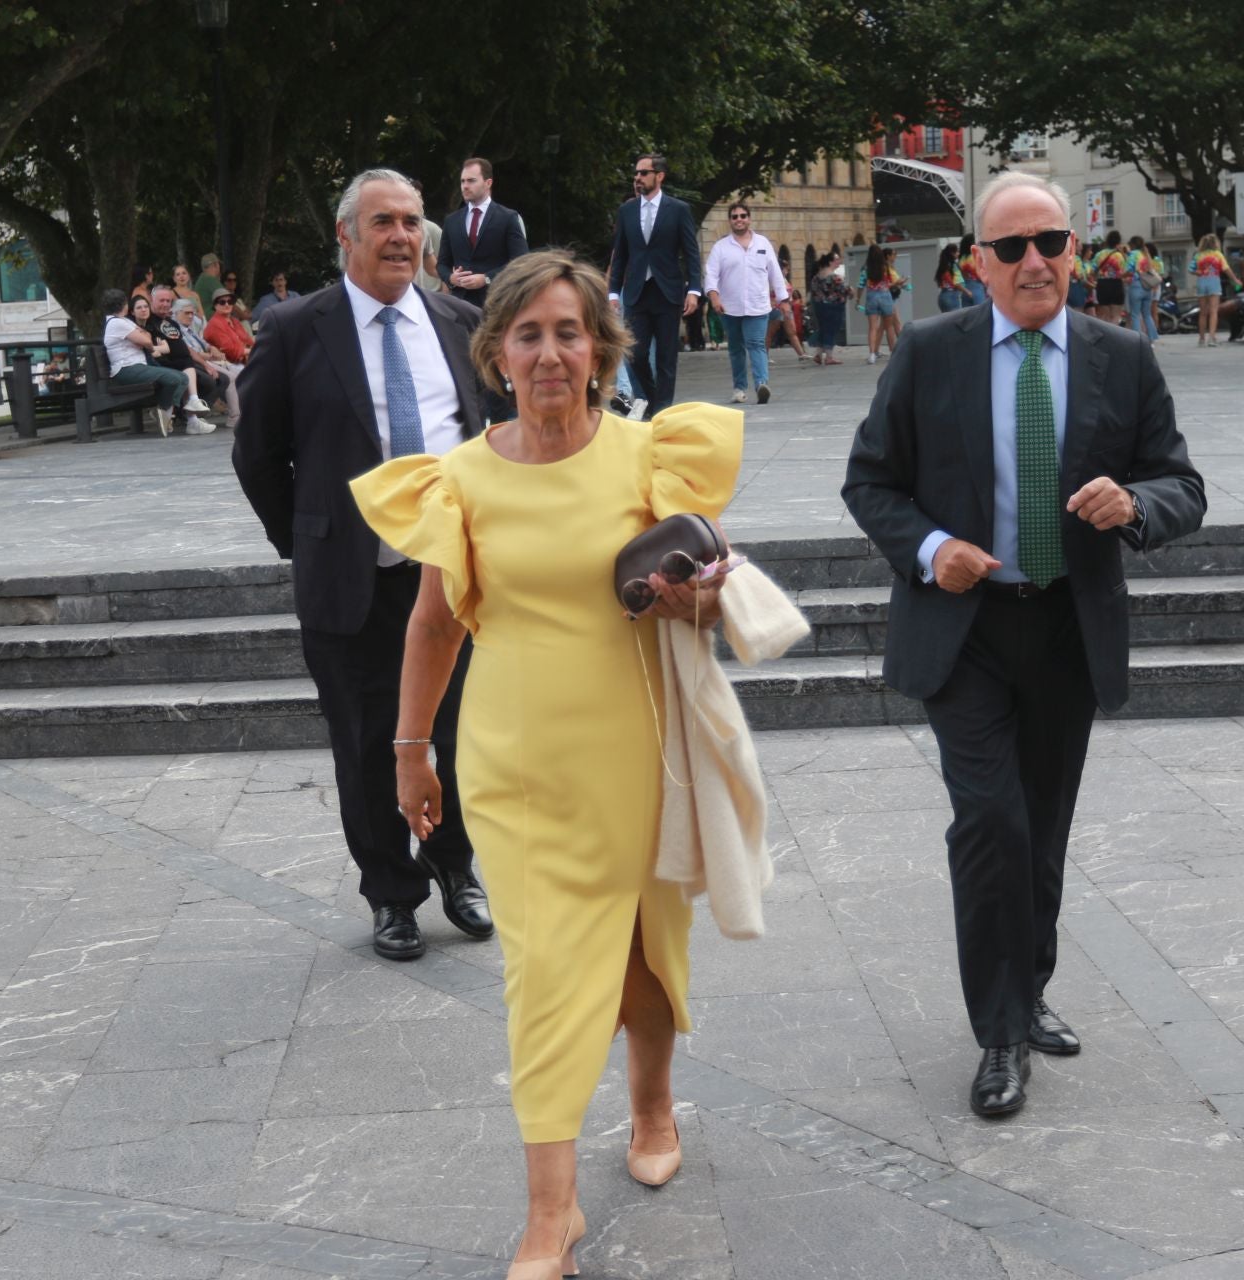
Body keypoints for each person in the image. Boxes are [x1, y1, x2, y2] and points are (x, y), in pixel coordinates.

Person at [349, 250, 737, 1279]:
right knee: (544, 977)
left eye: (571, 332)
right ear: (499, 354)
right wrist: (409, 751)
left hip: (636, 749)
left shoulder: (650, 455)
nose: (552, 353)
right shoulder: (461, 478)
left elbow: (715, 603)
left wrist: (696, 597)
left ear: (600, 349)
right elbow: (434, 625)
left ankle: (652, 1105)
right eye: (530, 334)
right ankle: (550, 1214)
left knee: (643, 949)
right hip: (515, 766)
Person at [842, 170, 1205, 1120]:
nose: (1033, 261)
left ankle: (1028, 987)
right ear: (979, 264)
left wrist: (1136, 505)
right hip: (963, 630)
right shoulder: (929, 352)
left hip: (1066, 626)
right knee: (991, 825)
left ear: (1074, 252)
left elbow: (1182, 484)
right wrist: (934, 549)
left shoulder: (1123, 357)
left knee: (1041, 830)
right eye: (1011, 248)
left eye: (1049, 242)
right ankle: (999, 1033)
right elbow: (870, 481)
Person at [235, 168, 493, 962]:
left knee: (461, 732)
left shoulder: (460, 321)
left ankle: (455, 865)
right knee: (366, 739)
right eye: (383, 222)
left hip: (453, 577)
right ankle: (391, 892)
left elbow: (490, 434)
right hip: (352, 580)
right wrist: (309, 538)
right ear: (346, 235)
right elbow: (257, 454)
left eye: (412, 222)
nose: (401, 237)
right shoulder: (295, 328)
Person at [607, 153, 702, 415]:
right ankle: (652, 399)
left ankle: (662, 410)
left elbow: (691, 253)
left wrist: (694, 289)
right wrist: (613, 292)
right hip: (636, 291)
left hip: (667, 291)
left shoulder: (678, 209)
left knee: (666, 357)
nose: (638, 177)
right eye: (636, 173)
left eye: (643, 173)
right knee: (635, 353)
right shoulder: (627, 211)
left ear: (659, 176)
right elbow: (620, 254)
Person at [703, 201, 788, 403]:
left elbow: (775, 273)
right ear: (730, 221)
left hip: (758, 306)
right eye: (735, 217)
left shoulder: (763, 244)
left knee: (757, 344)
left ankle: (761, 385)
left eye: (743, 216)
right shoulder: (721, 247)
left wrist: (783, 299)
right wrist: (714, 298)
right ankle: (739, 388)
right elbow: (711, 275)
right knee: (736, 348)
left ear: (749, 219)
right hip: (729, 307)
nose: (739, 220)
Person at [437, 158, 527, 310]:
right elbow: (442, 264)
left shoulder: (507, 217)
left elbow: (521, 262)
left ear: (488, 183)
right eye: (462, 181)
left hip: (496, 303)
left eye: (471, 181)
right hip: (460, 306)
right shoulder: (452, 221)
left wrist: (486, 278)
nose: (465, 186)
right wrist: (451, 278)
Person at [100, 288, 187, 436]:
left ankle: (164, 416)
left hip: (137, 367)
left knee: (182, 378)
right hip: (126, 369)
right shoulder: (117, 323)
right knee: (174, 379)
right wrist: (148, 344)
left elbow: (146, 336)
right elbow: (147, 341)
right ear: (125, 305)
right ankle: (164, 413)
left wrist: (144, 340)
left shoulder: (124, 321)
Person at [149, 286, 224, 433]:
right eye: (161, 300)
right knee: (187, 370)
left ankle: (191, 417)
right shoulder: (148, 321)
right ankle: (189, 415)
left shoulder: (171, 323)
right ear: (152, 301)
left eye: (168, 301)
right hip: (162, 365)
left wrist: (205, 364)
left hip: (182, 363)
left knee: (190, 368)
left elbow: (185, 348)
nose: (165, 304)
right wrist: (159, 349)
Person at [172, 296, 241, 430]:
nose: (191, 316)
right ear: (176, 313)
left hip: (206, 360)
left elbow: (203, 343)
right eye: (187, 313)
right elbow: (189, 351)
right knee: (230, 377)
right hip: (195, 363)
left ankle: (240, 412)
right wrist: (209, 357)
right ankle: (235, 416)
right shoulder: (176, 330)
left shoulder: (189, 329)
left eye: (192, 313)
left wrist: (212, 348)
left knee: (238, 373)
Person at [857, 242, 906, 363]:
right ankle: (893, 352)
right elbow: (889, 283)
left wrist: (857, 299)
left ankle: (872, 355)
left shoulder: (865, 268)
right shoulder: (885, 267)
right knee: (889, 327)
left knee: (872, 327)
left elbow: (861, 285)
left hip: (871, 297)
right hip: (885, 296)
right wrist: (899, 283)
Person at [1191, 234, 1239, 347]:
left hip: (1201, 283)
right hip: (1214, 283)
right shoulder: (1218, 255)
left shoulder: (1198, 255)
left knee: (1203, 313)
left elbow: (1191, 269)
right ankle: (1211, 338)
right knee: (1213, 311)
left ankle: (1201, 339)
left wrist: (1198, 272)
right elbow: (1226, 269)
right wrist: (1235, 280)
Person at [808, 251, 850, 365]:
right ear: (830, 262)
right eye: (837, 259)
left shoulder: (816, 277)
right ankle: (829, 357)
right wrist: (851, 291)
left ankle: (818, 354)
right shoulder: (834, 277)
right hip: (833, 307)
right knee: (831, 330)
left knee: (823, 329)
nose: (839, 261)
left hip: (819, 307)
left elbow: (813, 292)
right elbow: (844, 290)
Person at [768, 255, 810, 360]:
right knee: (770, 333)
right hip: (777, 308)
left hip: (786, 309)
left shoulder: (784, 280)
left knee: (792, 332)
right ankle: (764, 356)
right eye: (786, 269)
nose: (787, 271)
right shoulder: (772, 280)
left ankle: (801, 354)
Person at [203, 290, 253, 365]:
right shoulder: (214, 324)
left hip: (245, 361)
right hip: (228, 364)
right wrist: (253, 351)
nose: (227, 304)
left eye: (230, 302)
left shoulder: (235, 321)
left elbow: (249, 341)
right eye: (222, 302)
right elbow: (231, 351)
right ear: (215, 306)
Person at [1091, 230, 1129, 328]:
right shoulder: (1119, 256)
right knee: (1116, 315)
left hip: (1102, 284)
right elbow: (1127, 270)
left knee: (1104, 315)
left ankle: (1106, 335)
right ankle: (1114, 335)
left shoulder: (1100, 254)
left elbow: (1091, 271)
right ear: (1118, 242)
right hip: (1116, 284)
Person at [1124, 235, 1158, 342]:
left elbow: (1129, 269)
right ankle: (1152, 339)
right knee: (1147, 314)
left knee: (1135, 314)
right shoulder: (1146, 254)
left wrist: (1122, 275)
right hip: (1147, 287)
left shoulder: (1133, 254)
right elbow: (1151, 269)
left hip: (1136, 285)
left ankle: (1138, 340)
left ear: (1132, 244)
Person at [937, 243, 972, 312]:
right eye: (957, 252)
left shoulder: (943, 266)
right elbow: (956, 283)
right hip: (952, 296)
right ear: (952, 253)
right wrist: (967, 291)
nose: (958, 253)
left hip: (942, 296)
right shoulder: (953, 266)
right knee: (956, 317)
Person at [958, 232, 987, 305]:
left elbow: (963, 275)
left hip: (966, 287)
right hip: (977, 286)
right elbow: (979, 273)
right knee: (980, 310)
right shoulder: (974, 257)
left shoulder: (962, 259)